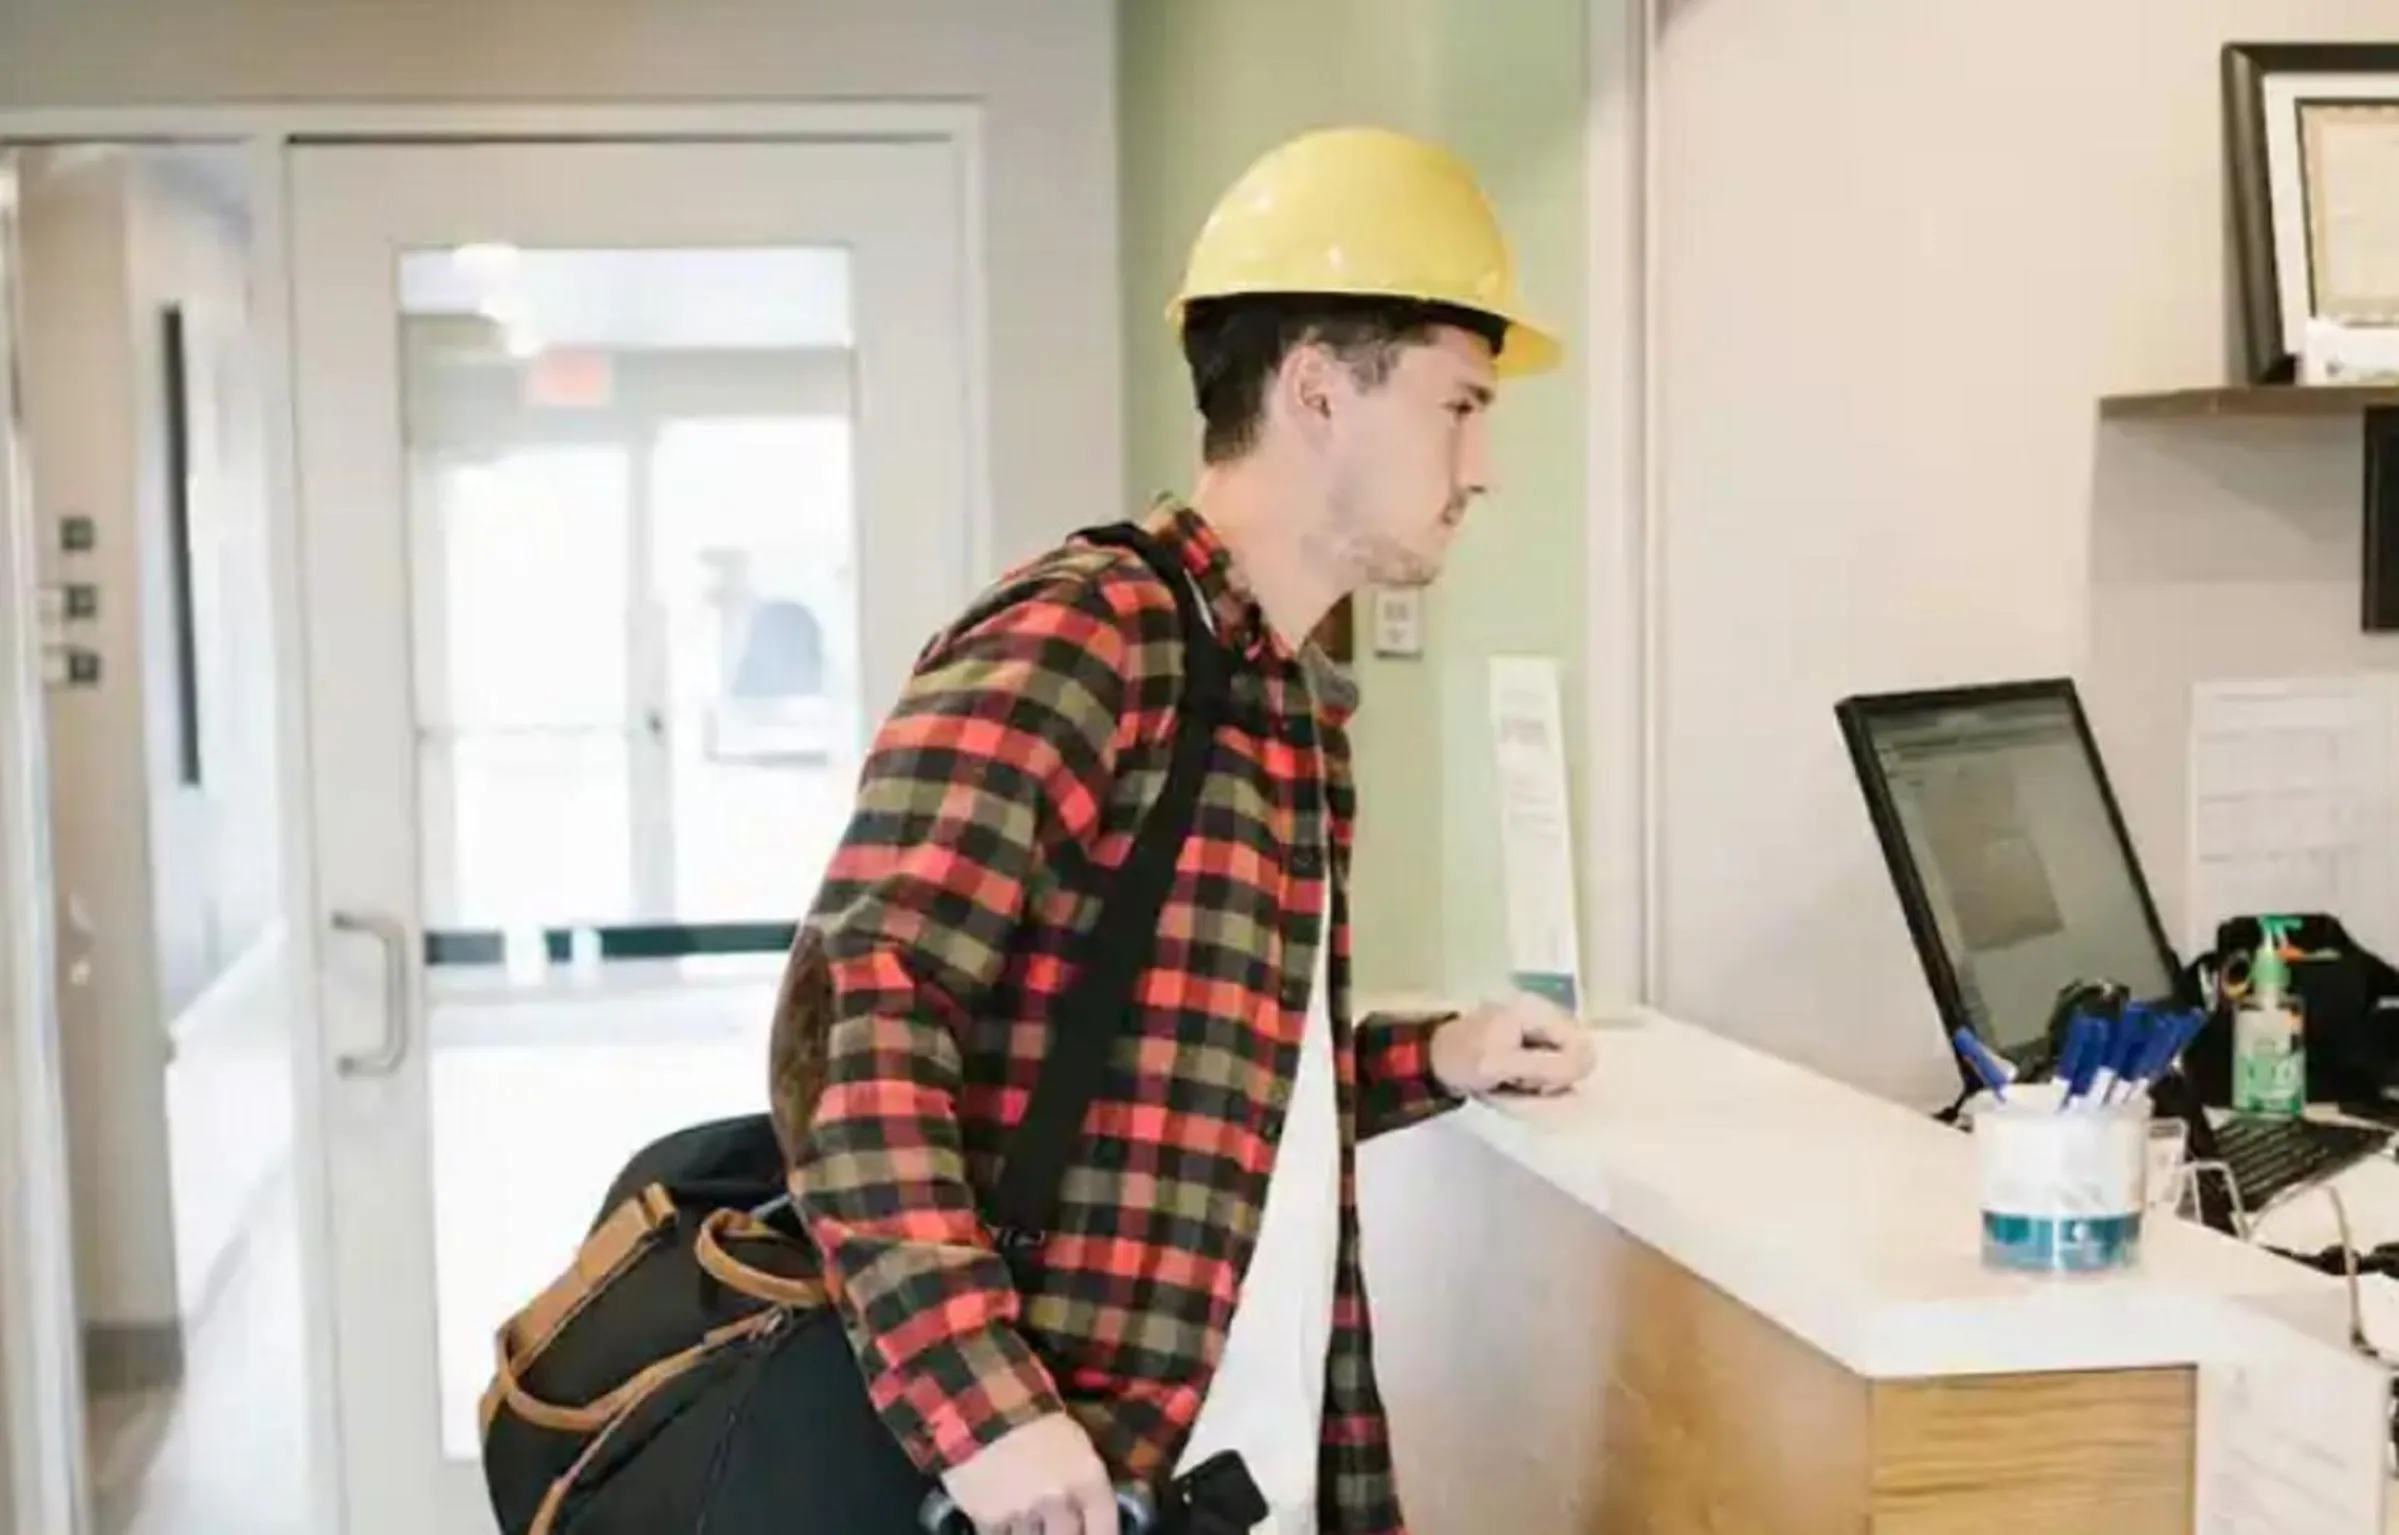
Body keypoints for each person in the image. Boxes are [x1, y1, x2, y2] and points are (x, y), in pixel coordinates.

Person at [769, 125, 1596, 1535]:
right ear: (1319, 392)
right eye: (1460, 406)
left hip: (1236, 1466)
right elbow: (858, 1012)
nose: (1484, 464)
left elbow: (1203, 1065)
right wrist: (985, 1408)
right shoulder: (1092, 634)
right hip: (1060, 1470)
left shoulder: (1287, 697)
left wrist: (1421, 1057)